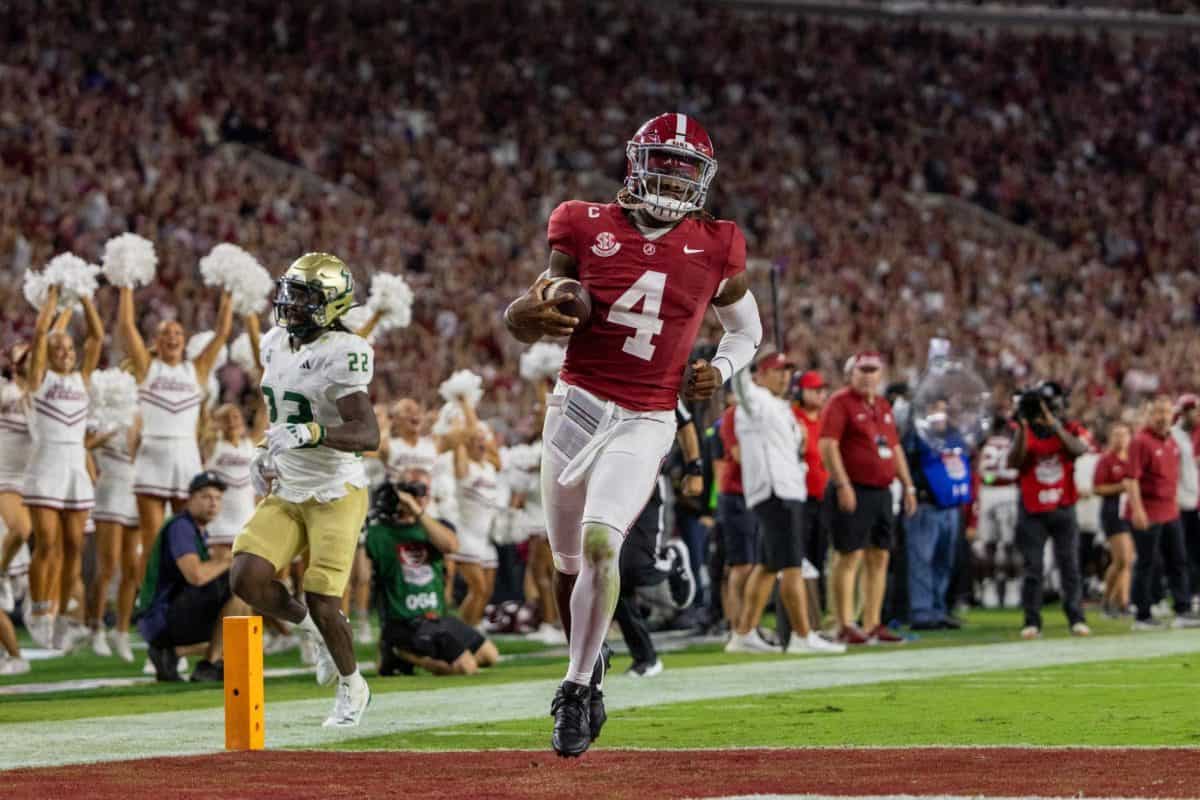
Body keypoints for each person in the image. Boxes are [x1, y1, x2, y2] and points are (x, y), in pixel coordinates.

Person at [503, 113, 761, 757]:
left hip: (646, 415)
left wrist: (718, 370)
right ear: (637, 164)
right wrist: (523, 315)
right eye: (664, 165)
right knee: (564, 564)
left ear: (702, 179)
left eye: (684, 170)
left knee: (599, 543)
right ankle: (590, 664)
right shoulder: (582, 222)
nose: (673, 181)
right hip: (576, 404)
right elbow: (539, 304)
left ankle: (574, 688)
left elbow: (746, 333)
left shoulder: (718, 243)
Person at [229, 252, 380, 728]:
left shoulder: (344, 352)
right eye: (291, 292)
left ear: (332, 304)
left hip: (336, 490)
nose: (292, 303)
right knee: (246, 577)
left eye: (306, 296)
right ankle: (313, 631)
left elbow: (368, 434)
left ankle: (353, 685)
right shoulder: (274, 342)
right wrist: (265, 450)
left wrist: (314, 433)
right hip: (290, 486)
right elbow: (282, 415)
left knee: (323, 595)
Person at [726, 351, 844, 656]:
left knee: (768, 566)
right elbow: (739, 383)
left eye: (787, 371)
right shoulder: (755, 401)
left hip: (788, 491)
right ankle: (803, 635)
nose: (784, 376)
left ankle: (744, 633)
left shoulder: (781, 407)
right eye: (777, 370)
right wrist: (744, 343)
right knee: (792, 566)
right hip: (775, 491)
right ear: (760, 375)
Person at [117, 282, 232, 591]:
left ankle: (183, 602)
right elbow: (126, 325)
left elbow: (222, 332)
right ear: (156, 340)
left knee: (188, 539)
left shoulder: (196, 370)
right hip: (152, 458)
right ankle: (150, 607)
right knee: (153, 542)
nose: (172, 338)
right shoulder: (147, 368)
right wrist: (126, 285)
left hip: (186, 459)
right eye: (166, 333)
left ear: (185, 341)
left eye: (178, 334)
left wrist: (230, 290)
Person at [22, 286, 105, 651]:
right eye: (59, 350)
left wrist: (85, 296)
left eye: (69, 349)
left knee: (74, 545)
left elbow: (97, 336)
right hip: (46, 464)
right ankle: (39, 608)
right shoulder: (41, 380)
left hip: (75, 467)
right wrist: (54, 295)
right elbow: (41, 334)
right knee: (48, 543)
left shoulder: (81, 379)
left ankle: (61, 610)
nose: (66, 353)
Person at [819, 352, 916, 646]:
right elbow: (828, 445)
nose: (868, 376)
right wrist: (842, 483)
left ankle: (872, 622)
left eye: (873, 370)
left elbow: (895, 449)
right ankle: (844, 623)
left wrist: (908, 486)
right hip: (854, 487)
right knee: (848, 555)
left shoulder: (883, 406)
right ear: (851, 373)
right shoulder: (840, 402)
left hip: (882, 490)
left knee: (880, 555)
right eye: (863, 370)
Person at [367, 468, 499, 676]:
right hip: (405, 621)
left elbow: (451, 546)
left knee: (489, 656)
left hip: (437, 618)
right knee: (466, 668)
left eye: (423, 490)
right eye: (412, 489)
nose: (419, 495)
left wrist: (416, 511)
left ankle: (404, 655)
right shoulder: (380, 532)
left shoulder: (439, 527)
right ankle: (399, 653)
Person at [614, 400, 701, 677]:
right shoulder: (591, 380)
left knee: (634, 568)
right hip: (603, 483)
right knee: (608, 574)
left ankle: (671, 560)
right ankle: (645, 657)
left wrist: (694, 468)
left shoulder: (655, 376)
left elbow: (685, 422)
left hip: (646, 480)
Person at [135, 471, 246, 682]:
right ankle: (210, 664)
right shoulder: (181, 527)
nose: (213, 503)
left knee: (240, 624)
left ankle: (171, 655)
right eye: (205, 497)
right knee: (237, 586)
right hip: (161, 617)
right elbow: (195, 575)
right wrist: (226, 561)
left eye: (217, 498)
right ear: (190, 500)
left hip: (164, 618)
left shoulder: (196, 530)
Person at [1005, 381, 1091, 639]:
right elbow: (1014, 461)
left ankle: (1076, 617)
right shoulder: (1024, 430)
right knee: (1033, 567)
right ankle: (1032, 621)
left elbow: (1079, 449)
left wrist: (1054, 425)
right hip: (1032, 510)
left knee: (1069, 565)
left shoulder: (1069, 428)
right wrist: (1023, 427)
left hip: (1063, 506)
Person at [1125, 395, 1200, 631]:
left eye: (1167, 412)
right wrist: (1137, 510)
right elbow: (1130, 479)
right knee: (1148, 563)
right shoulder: (1140, 441)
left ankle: (1182, 609)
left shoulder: (1172, 442)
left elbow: (1173, 477)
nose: (1163, 417)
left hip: (1170, 510)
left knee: (1179, 560)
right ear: (1149, 414)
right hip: (1148, 511)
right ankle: (1142, 614)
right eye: (1158, 412)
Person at [902, 398, 973, 630]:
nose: (940, 415)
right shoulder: (916, 436)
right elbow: (906, 455)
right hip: (926, 505)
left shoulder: (953, 436)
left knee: (944, 561)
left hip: (950, 506)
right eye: (934, 409)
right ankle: (922, 612)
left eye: (943, 409)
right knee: (922, 560)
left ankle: (939, 609)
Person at [85, 409, 142, 660]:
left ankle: (121, 631)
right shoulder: (100, 411)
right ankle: (96, 627)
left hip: (136, 490)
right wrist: (106, 435)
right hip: (109, 491)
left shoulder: (142, 414)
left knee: (132, 569)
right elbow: (83, 446)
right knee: (107, 566)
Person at [715, 389, 758, 641]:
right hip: (736, 494)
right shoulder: (733, 415)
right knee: (741, 565)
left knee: (752, 565)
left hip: (755, 494)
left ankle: (746, 625)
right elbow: (740, 455)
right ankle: (738, 626)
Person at [792, 370, 831, 615]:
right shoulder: (792, 416)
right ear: (801, 391)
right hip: (800, 497)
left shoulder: (827, 418)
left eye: (822, 389)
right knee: (800, 554)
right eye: (815, 389)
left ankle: (817, 610)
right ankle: (800, 610)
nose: (820, 393)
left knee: (820, 554)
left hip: (824, 497)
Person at [1093, 421, 1132, 617]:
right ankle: (1108, 600)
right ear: (1110, 438)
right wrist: (1122, 486)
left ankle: (1122, 603)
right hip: (1113, 512)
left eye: (1124, 434)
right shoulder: (1106, 460)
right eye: (1117, 435)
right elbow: (1098, 488)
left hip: (1132, 511)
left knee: (1127, 561)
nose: (1121, 439)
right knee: (1122, 559)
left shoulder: (1132, 458)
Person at [1172, 395, 1200, 606]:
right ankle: (1184, 597)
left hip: (1193, 500)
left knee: (1193, 551)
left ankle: (1193, 594)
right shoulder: (1174, 435)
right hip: (1178, 501)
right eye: (1194, 410)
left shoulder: (1193, 433)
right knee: (1181, 553)